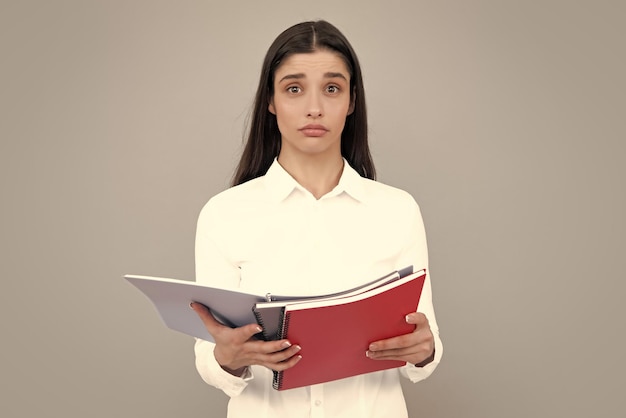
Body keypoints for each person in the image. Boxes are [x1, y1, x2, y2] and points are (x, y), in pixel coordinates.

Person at [190, 20, 442, 417]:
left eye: (332, 88)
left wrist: (424, 351)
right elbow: (210, 358)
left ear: (352, 100)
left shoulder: (397, 211)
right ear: (270, 101)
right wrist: (228, 357)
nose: (314, 107)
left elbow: (424, 345)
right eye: (294, 88)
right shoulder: (225, 214)